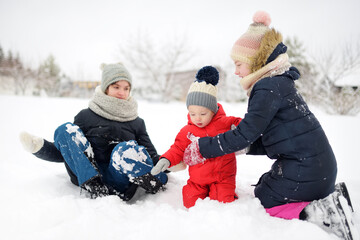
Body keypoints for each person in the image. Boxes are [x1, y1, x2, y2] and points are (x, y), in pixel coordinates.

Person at [183, 11, 357, 240]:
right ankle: (325, 197)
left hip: (307, 169)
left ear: (256, 62)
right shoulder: (279, 83)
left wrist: (203, 147)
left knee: (265, 200)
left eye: (238, 64)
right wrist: (242, 146)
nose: (235, 71)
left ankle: (321, 212)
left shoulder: (266, 88)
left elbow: (246, 134)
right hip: (318, 167)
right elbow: (277, 137)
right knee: (264, 183)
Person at [19, 62, 168, 201]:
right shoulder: (86, 116)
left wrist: (170, 160)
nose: (122, 92)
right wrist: (40, 148)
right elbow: (70, 152)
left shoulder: (136, 122)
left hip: (118, 181)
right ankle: (94, 184)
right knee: (65, 129)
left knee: (125, 150)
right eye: (116, 87)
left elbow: (150, 155)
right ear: (106, 88)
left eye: (126, 88)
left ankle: (154, 183)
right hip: (87, 177)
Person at [151, 66, 242, 208]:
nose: (197, 118)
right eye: (192, 114)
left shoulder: (225, 123)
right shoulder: (187, 131)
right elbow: (177, 148)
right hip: (198, 179)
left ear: (213, 110)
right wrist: (166, 159)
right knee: (190, 201)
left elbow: (244, 126)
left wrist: (238, 129)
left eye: (203, 114)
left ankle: (226, 194)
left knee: (223, 202)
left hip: (222, 178)